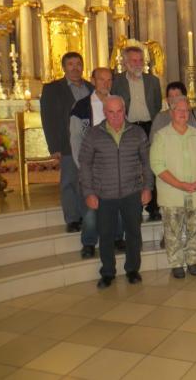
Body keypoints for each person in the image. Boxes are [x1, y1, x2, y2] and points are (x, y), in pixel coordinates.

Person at [78, 95, 153, 289]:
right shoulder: (93, 134)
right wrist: (89, 192)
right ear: (104, 113)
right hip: (104, 193)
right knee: (106, 234)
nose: (115, 116)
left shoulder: (137, 133)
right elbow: (85, 165)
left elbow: (147, 163)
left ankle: (132, 270)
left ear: (124, 111)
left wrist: (147, 188)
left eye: (119, 111)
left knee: (133, 233)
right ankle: (108, 272)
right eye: (110, 112)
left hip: (132, 191)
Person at [150, 97, 196, 279]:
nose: (184, 114)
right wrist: (181, 185)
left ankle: (192, 260)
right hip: (172, 193)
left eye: (187, 111)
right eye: (179, 110)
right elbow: (157, 165)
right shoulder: (161, 136)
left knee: (194, 229)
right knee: (172, 231)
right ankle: (176, 263)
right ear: (171, 112)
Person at [69, 67, 125, 258]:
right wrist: (81, 165)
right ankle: (89, 242)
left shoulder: (118, 103)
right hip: (91, 165)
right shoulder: (81, 106)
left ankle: (118, 237)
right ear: (93, 81)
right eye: (101, 79)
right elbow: (75, 138)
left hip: (115, 165)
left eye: (109, 80)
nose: (105, 84)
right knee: (92, 207)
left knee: (117, 204)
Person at [40, 52, 94, 233]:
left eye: (78, 63)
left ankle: (87, 215)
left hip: (90, 143)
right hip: (67, 143)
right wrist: (54, 147)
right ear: (63, 67)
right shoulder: (52, 89)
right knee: (70, 181)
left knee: (87, 181)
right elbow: (48, 119)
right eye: (70, 64)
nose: (75, 67)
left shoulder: (91, 87)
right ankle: (72, 218)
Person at [111, 46, 163, 221]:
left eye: (141, 60)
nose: (138, 64)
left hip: (149, 127)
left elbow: (156, 105)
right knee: (131, 167)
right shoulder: (116, 81)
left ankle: (153, 206)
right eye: (134, 60)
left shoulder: (153, 81)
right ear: (125, 62)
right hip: (128, 128)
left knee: (152, 164)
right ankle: (134, 208)